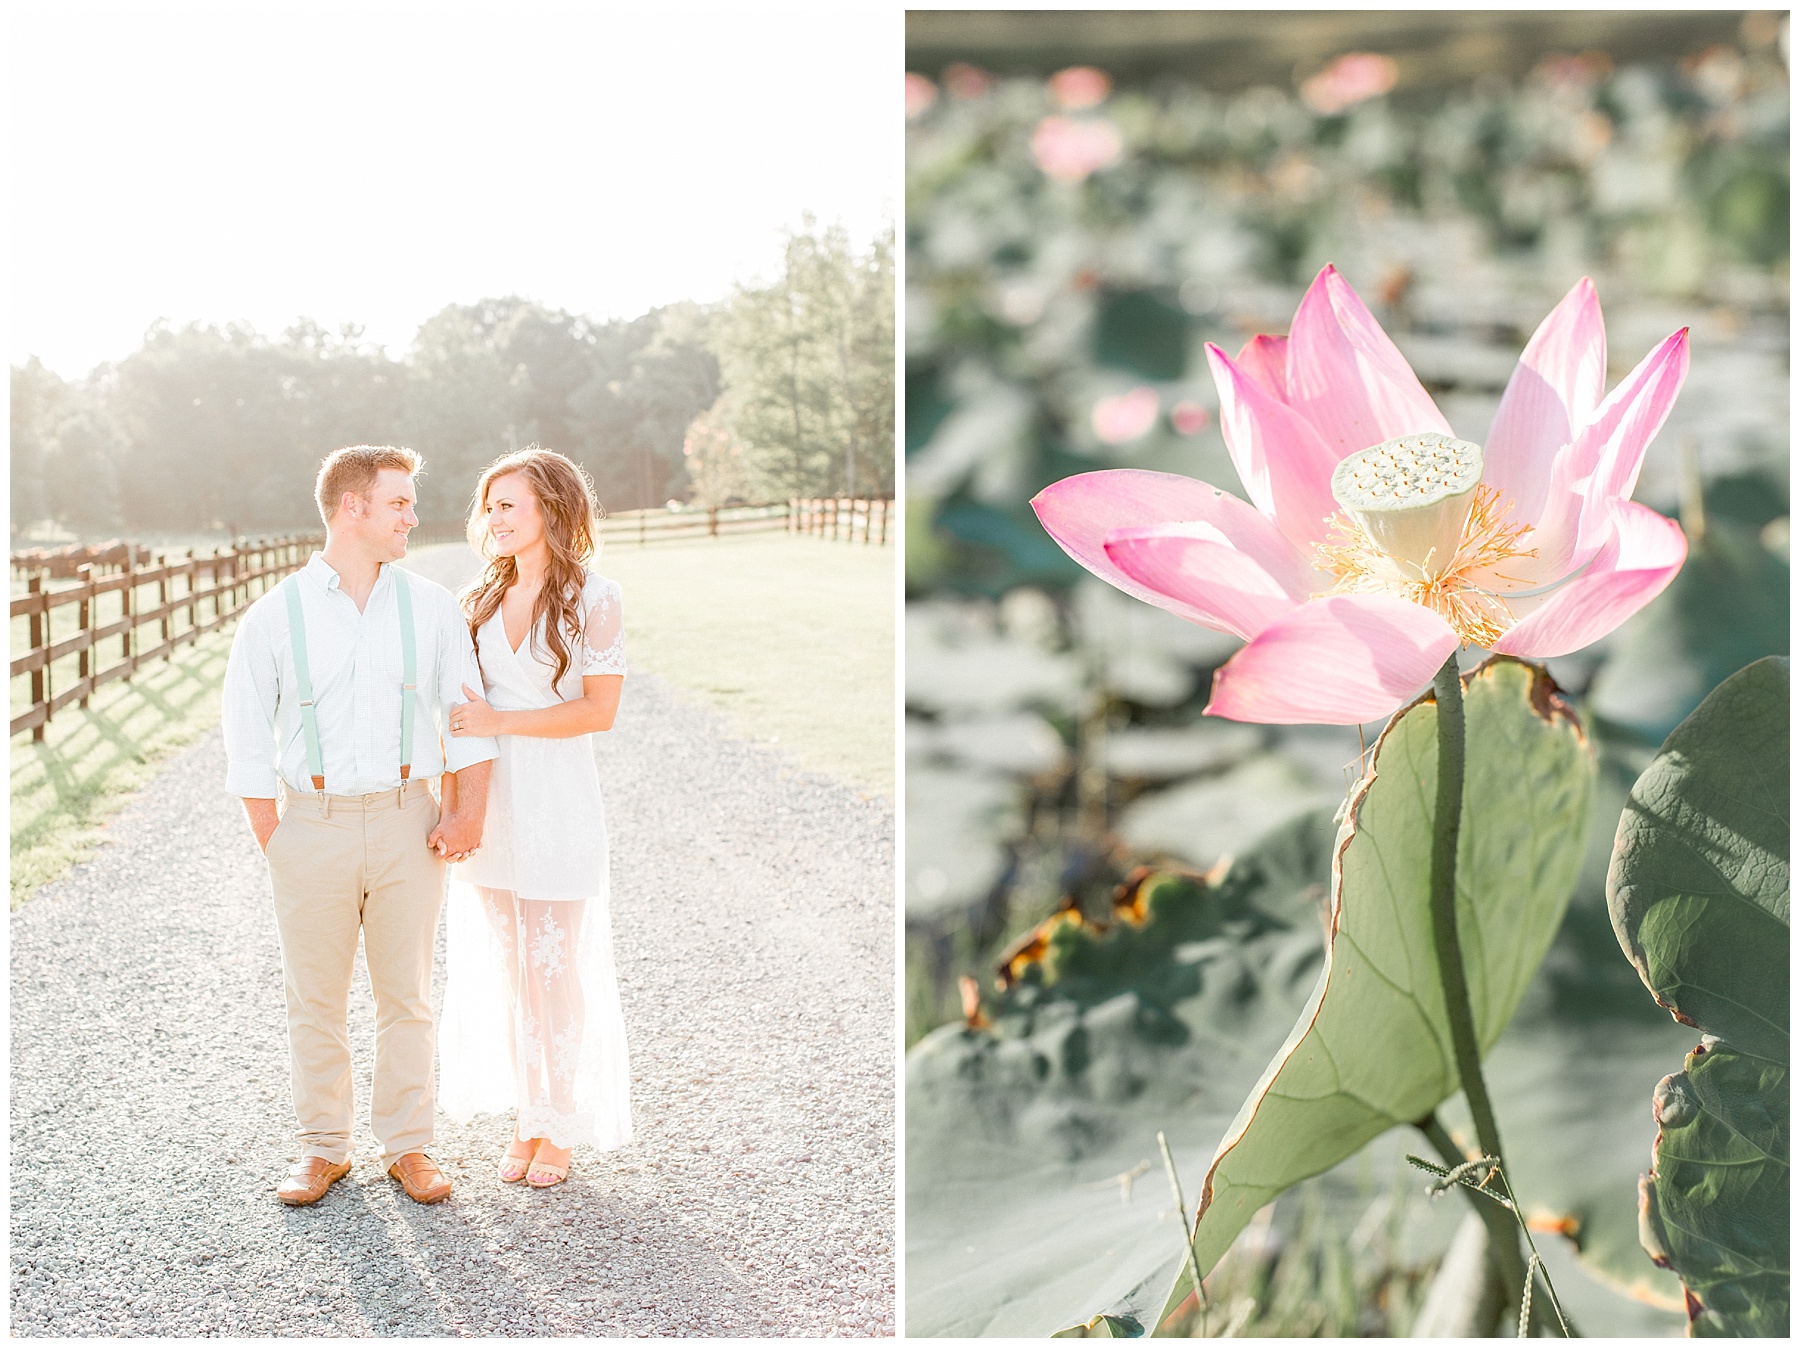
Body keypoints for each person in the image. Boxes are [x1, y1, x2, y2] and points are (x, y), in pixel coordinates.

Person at [223, 445, 498, 1207]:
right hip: (310, 823)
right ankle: (322, 1149)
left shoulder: (433, 607)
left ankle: (409, 1146)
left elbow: (468, 720)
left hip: (410, 818)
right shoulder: (275, 614)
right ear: (353, 508)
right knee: (315, 996)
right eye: (399, 503)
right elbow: (245, 741)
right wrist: (277, 840)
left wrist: (466, 809)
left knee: (406, 993)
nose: (413, 515)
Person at [438, 446, 632, 1188]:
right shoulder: (476, 602)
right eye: (489, 506)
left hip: (558, 796)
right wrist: (458, 807)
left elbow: (599, 711)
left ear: (550, 508)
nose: (495, 519)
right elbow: (457, 713)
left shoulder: (596, 597)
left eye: (508, 505)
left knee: (554, 965)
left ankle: (561, 1121)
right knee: (513, 968)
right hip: (496, 801)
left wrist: (503, 719)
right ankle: (528, 1113)